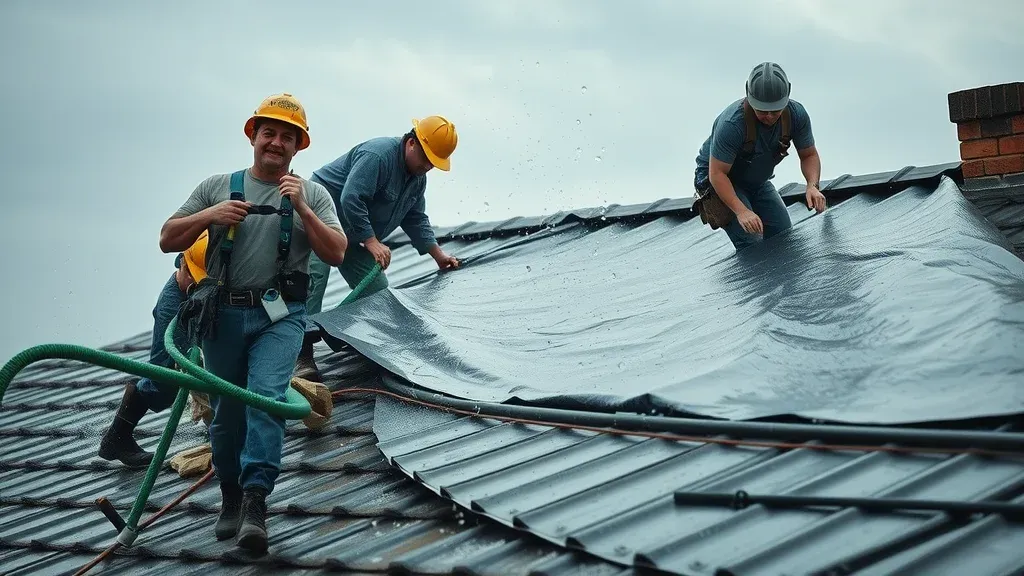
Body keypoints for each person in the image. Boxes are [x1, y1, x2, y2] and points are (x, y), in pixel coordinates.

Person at [157, 93, 347, 553]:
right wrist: (209, 216)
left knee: (265, 399)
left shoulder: (313, 194)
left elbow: (337, 253)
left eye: (287, 137)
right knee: (227, 414)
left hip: (280, 317)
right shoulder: (217, 186)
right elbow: (167, 239)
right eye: (269, 133)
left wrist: (302, 209)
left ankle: (256, 503)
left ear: (299, 146)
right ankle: (230, 497)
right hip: (223, 315)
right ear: (253, 136)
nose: (276, 143)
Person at [292, 115, 460, 381]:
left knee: (376, 293)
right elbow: (351, 197)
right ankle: (300, 355)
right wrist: (371, 241)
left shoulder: (417, 178)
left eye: (433, 163)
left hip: (353, 235)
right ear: (412, 143)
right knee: (311, 282)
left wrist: (438, 255)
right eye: (427, 157)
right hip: (318, 222)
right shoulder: (378, 156)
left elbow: (415, 217)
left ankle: (362, 342)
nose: (428, 166)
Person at [97, 231, 209, 467]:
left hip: (211, 298)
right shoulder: (180, 287)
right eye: (191, 277)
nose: (192, 283)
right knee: (164, 377)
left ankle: (222, 423)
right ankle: (116, 437)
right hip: (178, 302)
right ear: (182, 263)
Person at [693, 62, 826, 251]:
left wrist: (812, 186)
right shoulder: (733, 124)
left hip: (756, 180)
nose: (770, 116)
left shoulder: (796, 115)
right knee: (752, 242)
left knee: (783, 236)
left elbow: (809, 155)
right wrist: (742, 211)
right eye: (763, 110)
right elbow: (717, 174)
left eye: (775, 110)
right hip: (719, 180)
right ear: (749, 96)